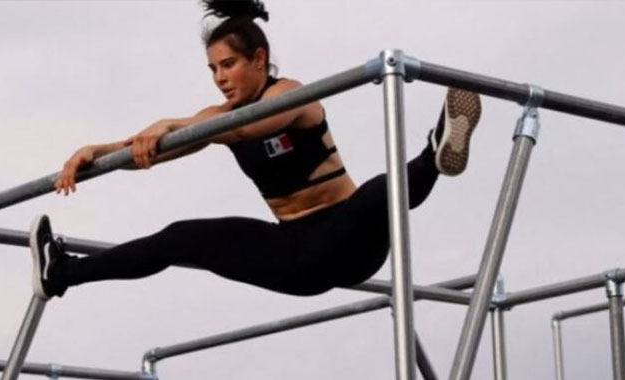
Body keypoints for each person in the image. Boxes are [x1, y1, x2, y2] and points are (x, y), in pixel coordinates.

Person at [29, 0, 482, 300]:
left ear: (259, 60)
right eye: (213, 69)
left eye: (228, 65)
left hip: (351, 237)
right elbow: (157, 152)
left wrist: (175, 127)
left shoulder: (291, 95)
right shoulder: (217, 117)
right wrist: (98, 151)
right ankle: (62, 273)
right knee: (179, 237)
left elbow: (246, 128)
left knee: (375, 194)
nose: (220, 78)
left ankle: (434, 153)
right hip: (296, 253)